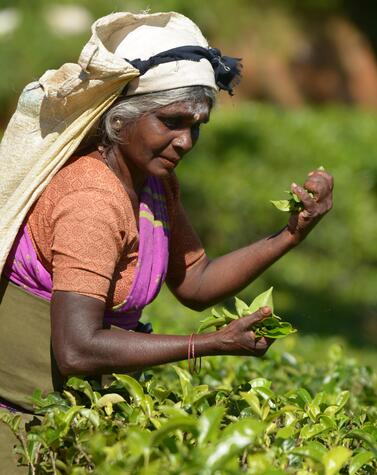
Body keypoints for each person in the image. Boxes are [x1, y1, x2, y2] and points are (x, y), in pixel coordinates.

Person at [0, 11, 333, 473]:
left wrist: (292, 233)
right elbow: (76, 348)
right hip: (21, 430)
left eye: (196, 125)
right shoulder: (92, 198)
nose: (186, 141)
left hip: (79, 418)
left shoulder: (153, 186)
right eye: (171, 122)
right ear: (120, 121)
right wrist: (211, 343)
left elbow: (195, 281)